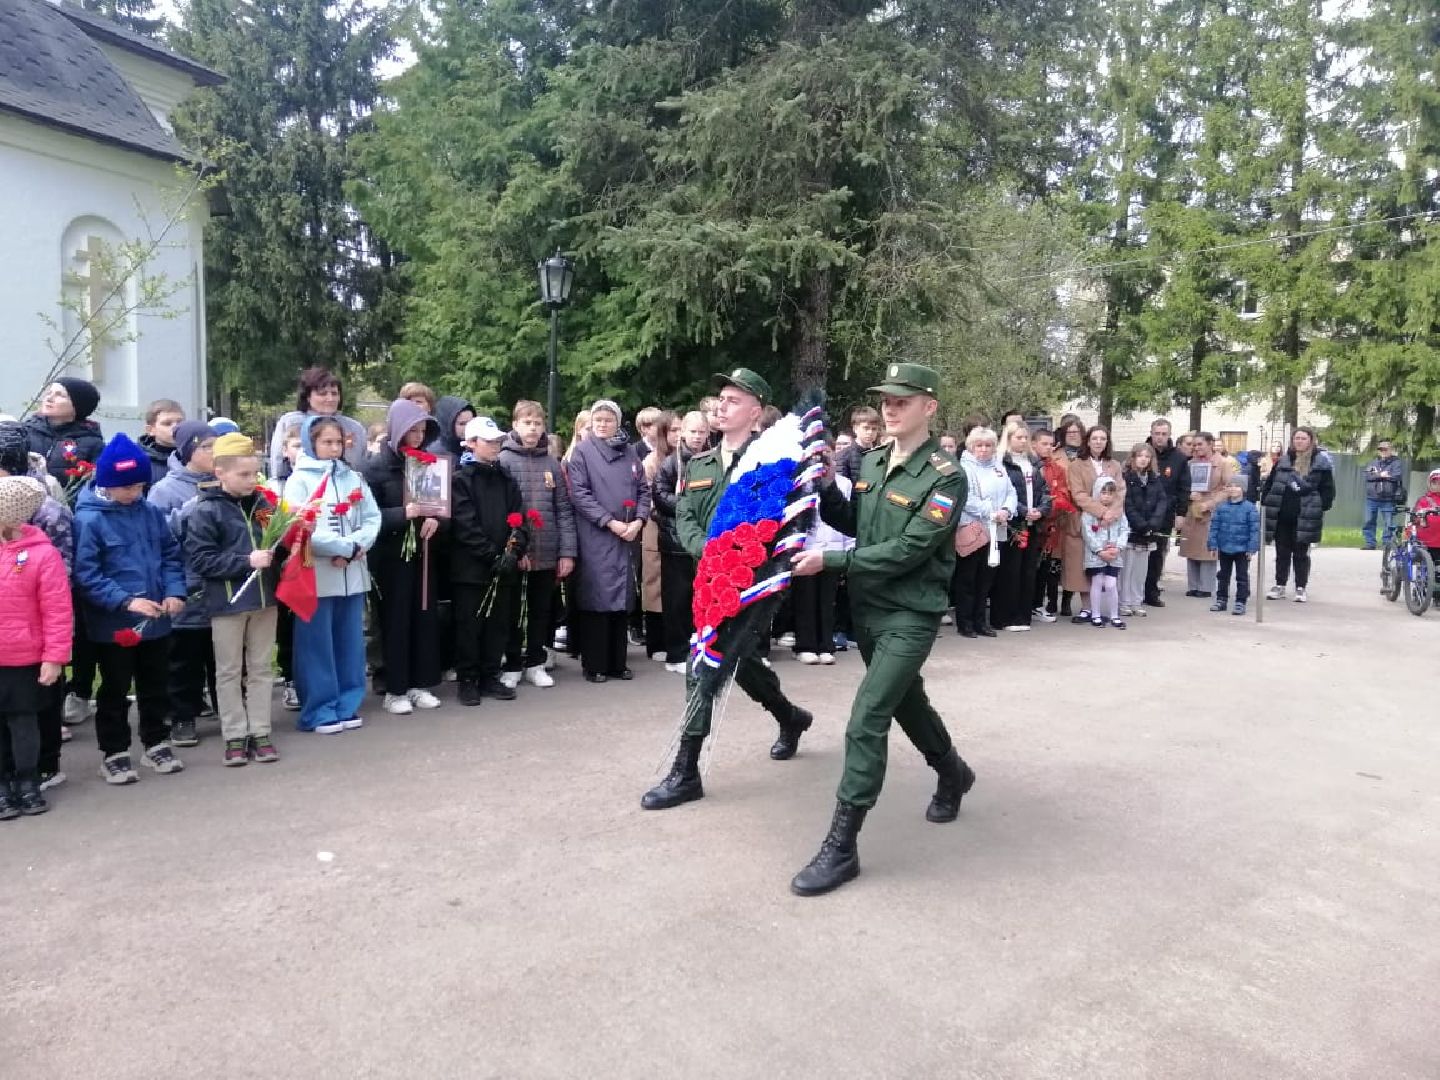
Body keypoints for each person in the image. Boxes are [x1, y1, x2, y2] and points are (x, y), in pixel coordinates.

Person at [788, 362, 973, 896]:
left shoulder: (946, 475)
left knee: (868, 715)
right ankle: (952, 771)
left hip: (910, 614)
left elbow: (910, 549)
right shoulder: (870, 460)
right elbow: (857, 524)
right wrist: (827, 486)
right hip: (868, 611)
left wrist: (832, 562)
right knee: (906, 702)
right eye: (886, 401)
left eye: (902, 401)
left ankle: (842, 846)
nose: (890, 409)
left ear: (929, 407)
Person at [641, 369, 815, 811]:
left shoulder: (775, 460)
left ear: (757, 412)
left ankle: (686, 771)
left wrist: (751, 566)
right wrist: (709, 552)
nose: (721, 405)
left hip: (751, 585)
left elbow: (789, 522)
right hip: (708, 577)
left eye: (734, 400)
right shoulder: (698, 464)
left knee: (705, 662)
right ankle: (790, 716)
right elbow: (684, 514)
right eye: (720, 398)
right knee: (735, 658)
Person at [74, 433, 189, 784]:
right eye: (127, 487)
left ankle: (156, 741)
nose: (134, 493)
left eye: (140, 486)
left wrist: (174, 592)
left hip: (155, 619)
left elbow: (170, 555)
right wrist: (125, 601)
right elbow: (86, 574)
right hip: (114, 624)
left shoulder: (150, 512)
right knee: (115, 687)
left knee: (156, 683)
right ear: (107, 484)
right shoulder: (89, 520)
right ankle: (115, 751)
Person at [184, 434, 282, 765]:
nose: (252, 480)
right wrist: (246, 561)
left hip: (265, 599)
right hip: (227, 603)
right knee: (228, 671)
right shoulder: (206, 510)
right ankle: (235, 735)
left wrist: (288, 543)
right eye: (243, 474)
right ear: (220, 473)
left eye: (255, 473)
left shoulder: (264, 504)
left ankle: (261, 730)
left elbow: (275, 542)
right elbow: (201, 560)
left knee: (261, 668)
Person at [282, 416, 382, 734]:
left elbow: (371, 516)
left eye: (339, 442)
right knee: (317, 646)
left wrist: (357, 545)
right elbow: (298, 525)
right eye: (327, 442)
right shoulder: (299, 480)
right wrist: (343, 547)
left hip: (352, 571)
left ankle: (347, 703)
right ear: (311, 444)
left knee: (350, 643)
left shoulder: (353, 477)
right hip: (318, 574)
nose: (334, 448)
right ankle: (319, 708)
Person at [0, 427, 73, 791]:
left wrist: (54, 656)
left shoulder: (43, 554)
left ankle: (29, 779)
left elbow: (57, 609)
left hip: (24, 655)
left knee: (23, 720)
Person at [364, 398, 443, 715]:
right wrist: (402, 514)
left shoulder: (428, 464)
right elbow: (367, 516)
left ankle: (420, 683)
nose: (418, 437)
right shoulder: (375, 468)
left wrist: (436, 519)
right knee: (395, 621)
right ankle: (395, 688)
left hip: (422, 553)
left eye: (423, 431)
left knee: (423, 616)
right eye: (412, 431)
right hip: (390, 557)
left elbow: (439, 504)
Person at [148, 420, 220, 748]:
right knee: (184, 661)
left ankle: (230, 713)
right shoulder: (165, 489)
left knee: (224, 659)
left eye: (217, 445)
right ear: (189, 451)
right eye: (206, 447)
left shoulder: (227, 481)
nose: (214, 452)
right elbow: (159, 536)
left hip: (221, 587)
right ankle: (182, 717)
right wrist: (190, 509)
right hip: (188, 586)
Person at [567, 400, 649, 683]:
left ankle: (617, 661)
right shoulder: (582, 452)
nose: (603, 424)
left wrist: (639, 520)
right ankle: (595, 664)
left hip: (627, 534)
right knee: (597, 597)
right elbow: (580, 494)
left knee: (622, 598)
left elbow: (643, 489)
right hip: (597, 534)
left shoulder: (629, 452)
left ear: (617, 422)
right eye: (598, 420)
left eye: (608, 420)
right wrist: (609, 521)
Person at [498, 401, 577, 689]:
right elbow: (501, 509)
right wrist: (514, 549)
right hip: (516, 550)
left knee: (540, 610)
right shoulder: (504, 460)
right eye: (527, 423)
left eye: (538, 423)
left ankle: (535, 661)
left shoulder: (551, 463)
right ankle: (512, 663)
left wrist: (566, 552)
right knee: (511, 611)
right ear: (515, 425)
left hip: (547, 549)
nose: (532, 428)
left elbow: (563, 509)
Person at [451, 416, 527, 706]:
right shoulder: (461, 479)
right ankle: (468, 679)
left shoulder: (506, 478)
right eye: (489, 441)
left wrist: (513, 550)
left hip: (503, 566)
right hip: (471, 568)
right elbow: (465, 524)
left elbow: (519, 517)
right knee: (470, 626)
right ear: (471, 443)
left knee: (498, 625)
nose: (495, 446)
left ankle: (490, 674)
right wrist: (491, 555)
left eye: (498, 441)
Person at [651, 411, 708, 673]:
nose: (697, 437)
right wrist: (689, 507)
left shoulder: (712, 460)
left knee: (700, 599)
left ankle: (698, 650)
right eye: (692, 431)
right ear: (682, 432)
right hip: (674, 542)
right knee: (676, 600)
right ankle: (676, 654)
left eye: (701, 432)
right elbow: (660, 495)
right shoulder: (669, 464)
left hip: (702, 541)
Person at [950, 426, 1014, 638]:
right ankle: (965, 623)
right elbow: (966, 498)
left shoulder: (999, 467)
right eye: (979, 445)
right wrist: (991, 512)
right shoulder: (964, 468)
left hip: (995, 529)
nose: (984, 449)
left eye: (988, 445)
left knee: (986, 579)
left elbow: (1011, 492)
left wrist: (1006, 510)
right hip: (973, 529)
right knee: (968, 578)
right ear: (971, 446)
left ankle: (980, 621)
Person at [1262, 426, 1335, 603]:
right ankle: (1280, 585)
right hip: (1282, 515)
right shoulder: (1283, 460)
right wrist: (1266, 501)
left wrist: (1319, 507)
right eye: (1297, 438)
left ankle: (1301, 587)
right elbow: (1270, 483)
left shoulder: (1320, 463)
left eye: (1303, 438)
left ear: (1310, 440)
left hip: (1305, 516)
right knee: (1282, 552)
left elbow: (1328, 489)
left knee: (1301, 554)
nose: (1299, 441)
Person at [992, 422, 1049, 632]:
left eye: (1025, 437)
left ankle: (1023, 616)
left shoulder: (1033, 462)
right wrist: (1023, 510)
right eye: (1018, 437)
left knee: (1028, 570)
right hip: (1013, 524)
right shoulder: (1002, 462)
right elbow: (1004, 493)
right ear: (1008, 439)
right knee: (1010, 571)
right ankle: (1005, 617)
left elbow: (1045, 491)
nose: (1023, 441)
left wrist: (1041, 510)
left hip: (1033, 524)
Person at [1065, 426, 1125, 623]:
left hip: (1110, 523)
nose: (1099, 442)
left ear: (1107, 442)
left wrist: (1111, 514)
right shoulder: (1076, 465)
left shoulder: (1114, 465)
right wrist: (1101, 511)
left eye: (1103, 438)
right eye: (1095, 438)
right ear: (1088, 441)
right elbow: (1078, 494)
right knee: (1085, 565)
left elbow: (1120, 492)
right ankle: (1087, 608)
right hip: (1085, 519)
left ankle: (1103, 609)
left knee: (1105, 565)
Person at [268, 367, 368, 479]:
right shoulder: (290, 422)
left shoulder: (354, 428)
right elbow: (278, 465)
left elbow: (361, 467)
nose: (330, 399)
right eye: (322, 394)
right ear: (307, 397)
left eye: (334, 394)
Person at [639, 410, 676, 659]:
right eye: (673, 430)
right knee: (655, 584)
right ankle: (656, 643)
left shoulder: (692, 459)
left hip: (682, 530)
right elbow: (647, 497)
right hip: (657, 528)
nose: (678, 435)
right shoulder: (651, 461)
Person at [25, 377, 105, 493]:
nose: (49, 398)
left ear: (78, 404)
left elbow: (93, 486)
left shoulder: (92, 443)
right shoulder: (26, 431)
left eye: (60, 395)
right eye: (49, 393)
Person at [1178, 433, 1232, 598]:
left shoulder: (1223, 463)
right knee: (1191, 547)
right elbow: (1182, 486)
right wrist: (1188, 494)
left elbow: (1228, 489)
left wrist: (1210, 503)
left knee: (1207, 549)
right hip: (1193, 509)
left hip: (1212, 511)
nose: (1196, 448)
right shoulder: (1190, 463)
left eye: (1200, 444)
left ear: (1210, 444)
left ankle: (1206, 586)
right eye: (1194, 445)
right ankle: (1193, 585)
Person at [1121, 443, 1169, 617]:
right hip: (1132, 531)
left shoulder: (1154, 478)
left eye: (1147, 456)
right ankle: (1124, 602)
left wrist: (1153, 523)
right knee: (1127, 569)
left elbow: (1162, 501)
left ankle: (1136, 601)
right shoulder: (1126, 477)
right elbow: (1127, 503)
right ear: (1133, 457)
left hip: (1148, 533)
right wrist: (1140, 524)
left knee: (1141, 571)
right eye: (1140, 456)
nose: (1143, 459)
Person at [1143, 418, 1187, 607]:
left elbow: (1184, 487)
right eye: (1156, 433)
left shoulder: (1179, 458)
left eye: (1164, 434)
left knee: (1157, 553)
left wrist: (1181, 513)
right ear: (1151, 434)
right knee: (1138, 554)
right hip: (1141, 512)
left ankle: (1151, 592)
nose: (1160, 437)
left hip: (1165, 514)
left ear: (1169, 435)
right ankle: (1132, 592)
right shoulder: (1141, 452)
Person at [1032, 428, 1070, 623]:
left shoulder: (1057, 469)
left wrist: (1047, 510)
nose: (1049, 448)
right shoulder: (1028, 466)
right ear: (1034, 444)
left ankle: (1037, 605)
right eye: (1044, 444)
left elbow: (1061, 496)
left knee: (1043, 568)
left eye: (1051, 444)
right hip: (1028, 521)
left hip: (1047, 526)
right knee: (1027, 569)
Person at [1208, 473, 1260, 616]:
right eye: (1230, 486)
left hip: (1242, 549)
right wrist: (1212, 544)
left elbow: (1254, 529)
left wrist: (1252, 548)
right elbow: (1214, 527)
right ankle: (1221, 599)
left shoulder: (1250, 508)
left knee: (1242, 576)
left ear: (1243, 489)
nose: (1233, 489)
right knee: (1223, 575)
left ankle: (1240, 601)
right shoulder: (1221, 507)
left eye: (1237, 486)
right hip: (1225, 547)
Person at [1082, 476, 1131, 628]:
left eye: (1110, 493)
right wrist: (1099, 551)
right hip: (1096, 556)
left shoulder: (1119, 513)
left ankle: (1114, 615)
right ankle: (1095, 614)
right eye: (1103, 493)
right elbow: (1087, 534)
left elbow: (1124, 530)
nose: (1107, 497)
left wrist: (1118, 547)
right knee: (1097, 582)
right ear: (1097, 492)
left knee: (1111, 584)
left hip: (1114, 555)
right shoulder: (1089, 514)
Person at [1362, 440, 1405, 550]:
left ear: (1391, 450)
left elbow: (1397, 476)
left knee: (1388, 523)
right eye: (1381, 449)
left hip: (1388, 498)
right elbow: (1368, 476)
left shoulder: (1396, 463)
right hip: (1372, 497)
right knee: (1368, 521)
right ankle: (1370, 543)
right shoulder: (1374, 463)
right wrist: (1381, 475)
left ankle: (1387, 544)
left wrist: (1379, 475)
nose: (1383, 451)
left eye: (1385, 449)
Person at [138, 398, 185, 485]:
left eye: (180, 422)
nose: (176, 428)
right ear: (150, 430)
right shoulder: (138, 462)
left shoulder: (195, 457)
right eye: (167, 423)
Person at [836, 406, 882, 480]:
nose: (870, 432)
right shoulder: (843, 456)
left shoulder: (881, 455)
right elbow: (841, 484)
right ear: (855, 428)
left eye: (874, 429)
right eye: (866, 428)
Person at [1411, 469, 1440, 562]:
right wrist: (1421, 514)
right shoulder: (1424, 500)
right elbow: (1414, 516)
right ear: (1429, 484)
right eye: (1434, 483)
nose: (1438, 486)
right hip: (1427, 539)